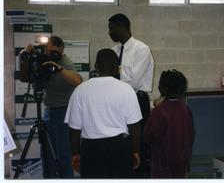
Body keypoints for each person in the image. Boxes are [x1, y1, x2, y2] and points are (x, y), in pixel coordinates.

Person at [64, 49, 143, 178]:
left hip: (91, 149)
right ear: (118, 68)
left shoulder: (80, 90)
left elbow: (74, 128)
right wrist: (135, 151)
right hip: (119, 148)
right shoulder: (127, 90)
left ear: (96, 67)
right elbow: (135, 126)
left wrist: (75, 154)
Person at [24, 36, 82, 178]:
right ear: (46, 49)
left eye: (56, 52)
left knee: (64, 154)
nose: (53, 55)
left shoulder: (65, 62)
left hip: (64, 113)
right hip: (48, 112)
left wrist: (59, 68)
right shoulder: (42, 59)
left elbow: (77, 80)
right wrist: (28, 56)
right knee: (48, 153)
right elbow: (29, 76)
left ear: (62, 50)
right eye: (50, 51)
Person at [108, 13, 154, 178]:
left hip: (136, 101)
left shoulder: (141, 49)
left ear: (122, 27)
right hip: (116, 103)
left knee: (138, 146)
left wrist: (111, 83)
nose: (109, 33)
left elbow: (133, 82)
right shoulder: (113, 51)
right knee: (121, 144)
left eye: (111, 29)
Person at [144, 69, 195, 178]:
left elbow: (148, 136)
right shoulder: (186, 110)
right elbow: (191, 135)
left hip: (162, 167)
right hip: (181, 166)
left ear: (161, 89)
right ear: (182, 89)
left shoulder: (159, 111)